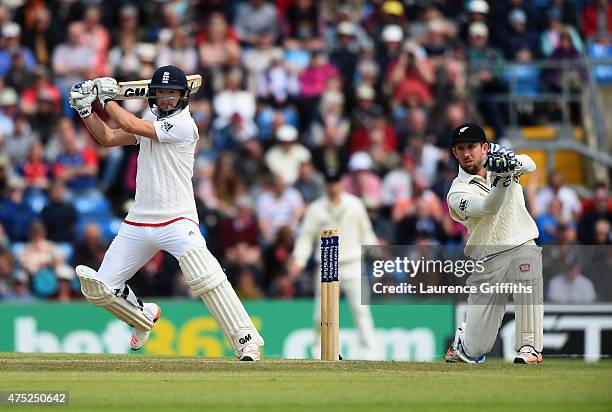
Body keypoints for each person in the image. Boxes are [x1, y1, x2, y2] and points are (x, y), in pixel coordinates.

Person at [68, 65, 263, 360]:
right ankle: (143, 316)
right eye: (161, 93)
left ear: (183, 97)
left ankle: (246, 341)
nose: (167, 100)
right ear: (153, 96)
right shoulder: (150, 119)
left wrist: (106, 99)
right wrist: (86, 110)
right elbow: (108, 138)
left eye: (172, 94)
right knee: (100, 290)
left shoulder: (185, 125)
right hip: (139, 219)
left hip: (177, 218)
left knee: (205, 276)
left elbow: (131, 125)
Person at [444, 124, 543, 365]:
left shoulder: (501, 163)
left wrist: (510, 162)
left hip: (521, 242)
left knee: (527, 265)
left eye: (472, 147)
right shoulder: (457, 193)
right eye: (461, 148)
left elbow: (531, 163)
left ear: (484, 148)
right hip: (487, 261)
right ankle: (464, 341)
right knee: (476, 348)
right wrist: (503, 178)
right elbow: (489, 207)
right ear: (454, 153)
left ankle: (529, 347)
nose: (467, 153)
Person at [290, 169, 378, 359]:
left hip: (353, 263)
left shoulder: (355, 205)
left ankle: (369, 353)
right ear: (325, 184)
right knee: (321, 313)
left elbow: (366, 232)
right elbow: (305, 237)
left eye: (336, 181)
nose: (333, 186)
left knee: (361, 311)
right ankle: (318, 351)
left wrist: (376, 252)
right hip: (327, 266)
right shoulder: (316, 208)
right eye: (330, 182)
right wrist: (299, 260)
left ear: (341, 183)